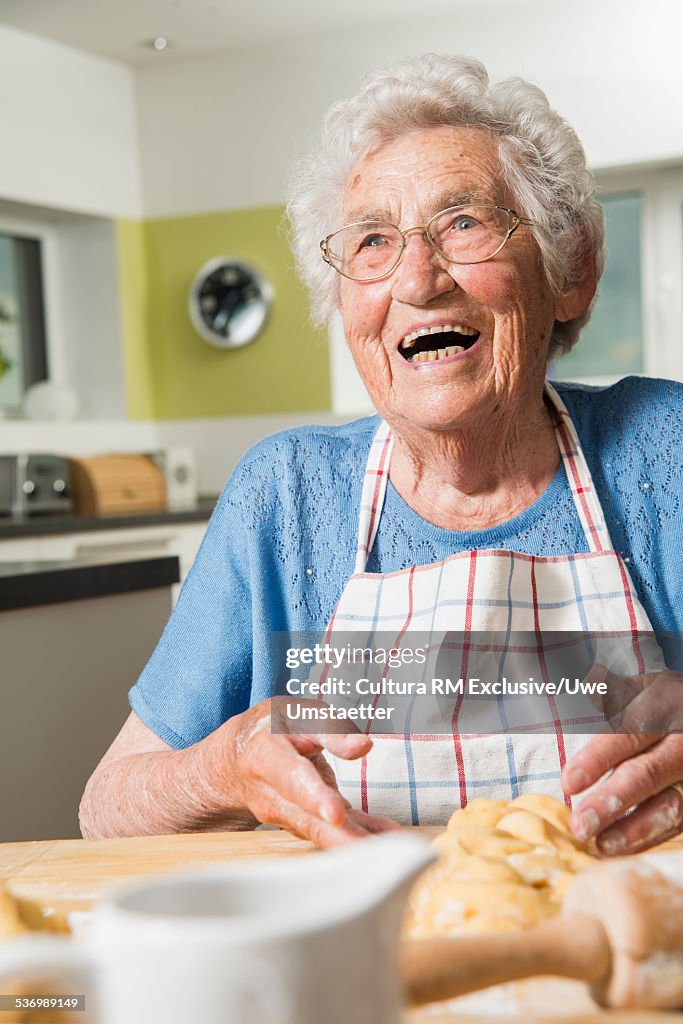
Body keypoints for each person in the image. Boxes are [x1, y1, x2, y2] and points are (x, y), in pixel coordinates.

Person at [80, 54, 683, 855]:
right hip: (347, 966)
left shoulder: (661, 451)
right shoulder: (287, 493)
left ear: (570, 273)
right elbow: (105, 807)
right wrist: (222, 769)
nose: (417, 278)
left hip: (616, 962)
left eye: (463, 223)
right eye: (372, 241)